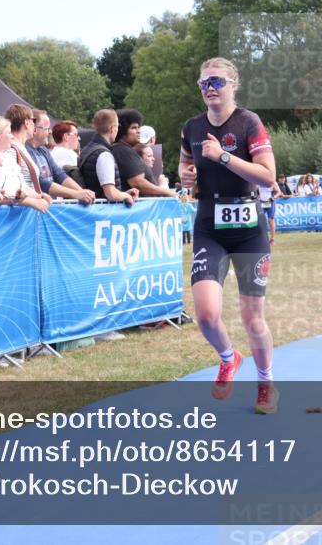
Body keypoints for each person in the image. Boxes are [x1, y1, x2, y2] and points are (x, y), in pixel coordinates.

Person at [178, 57, 278, 415]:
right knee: (206, 314)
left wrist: (223, 158)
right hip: (209, 226)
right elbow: (185, 165)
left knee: (253, 319)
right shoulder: (191, 126)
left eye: (217, 81)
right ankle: (227, 356)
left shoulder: (248, 122)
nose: (209, 88)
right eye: (203, 82)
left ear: (234, 85)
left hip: (249, 230)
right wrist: (186, 177)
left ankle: (265, 383)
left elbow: (268, 176)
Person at [0, 114, 50, 213]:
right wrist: (29, 201)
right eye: (9, 133)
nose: (12, 137)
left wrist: (39, 195)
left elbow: (23, 186)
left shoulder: (8, 158)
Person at [78, 109, 136, 205]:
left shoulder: (87, 149)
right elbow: (110, 194)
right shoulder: (103, 154)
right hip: (103, 213)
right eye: (118, 126)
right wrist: (126, 196)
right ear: (112, 128)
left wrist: (122, 193)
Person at [113, 108, 175, 198]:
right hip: (142, 208)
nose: (139, 131)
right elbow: (138, 183)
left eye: (138, 127)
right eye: (134, 128)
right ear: (122, 131)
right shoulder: (123, 151)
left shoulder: (122, 149)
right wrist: (166, 192)